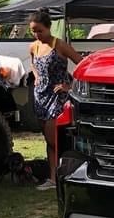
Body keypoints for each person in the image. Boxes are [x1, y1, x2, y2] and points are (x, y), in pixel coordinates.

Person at [28, 10, 81, 191]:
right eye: (33, 31)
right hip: (40, 95)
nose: (37, 34)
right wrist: (36, 76)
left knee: (54, 139)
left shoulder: (60, 45)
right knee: (47, 139)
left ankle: (64, 174)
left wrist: (69, 86)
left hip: (57, 96)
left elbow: (82, 63)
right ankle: (52, 178)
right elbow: (33, 64)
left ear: (49, 27)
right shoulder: (33, 47)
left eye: (40, 30)